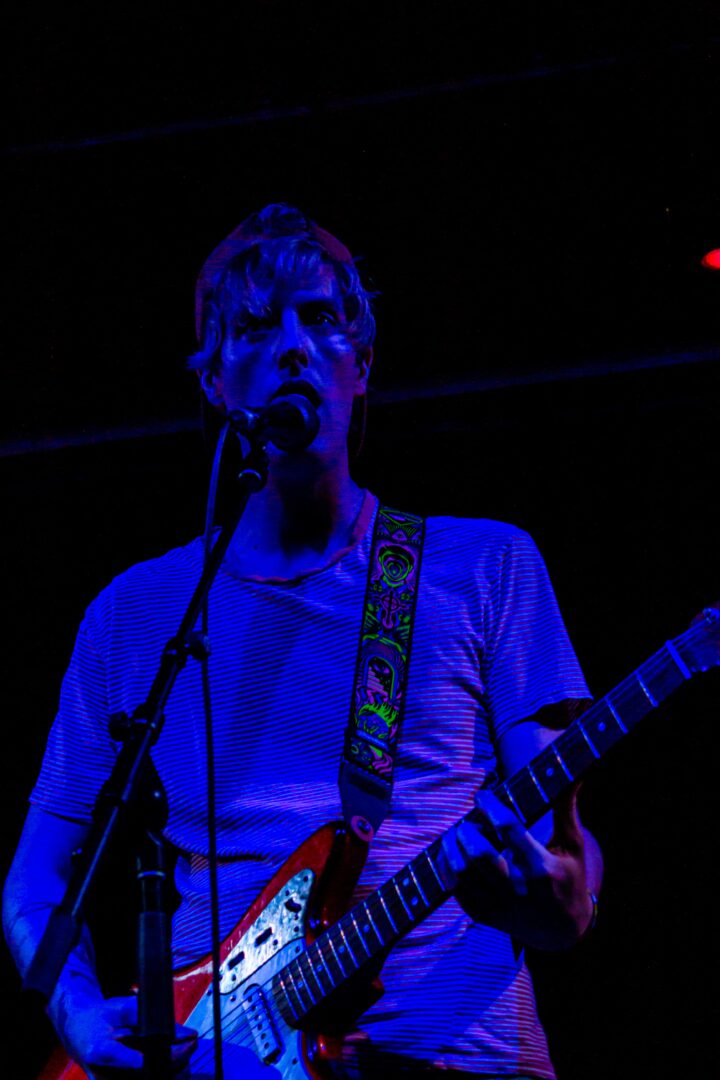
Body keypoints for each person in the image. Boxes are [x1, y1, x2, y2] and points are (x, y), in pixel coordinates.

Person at [3, 203, 602, 1079]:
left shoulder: (485, 567)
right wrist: (83, 1018)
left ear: (361, 365)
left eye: (321, 319)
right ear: (215, 381)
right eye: (255, 327)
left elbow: (558, 869)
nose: (293, 348)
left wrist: (558, 895)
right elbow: (37, 881)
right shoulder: (135, 615)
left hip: (459, 1061)